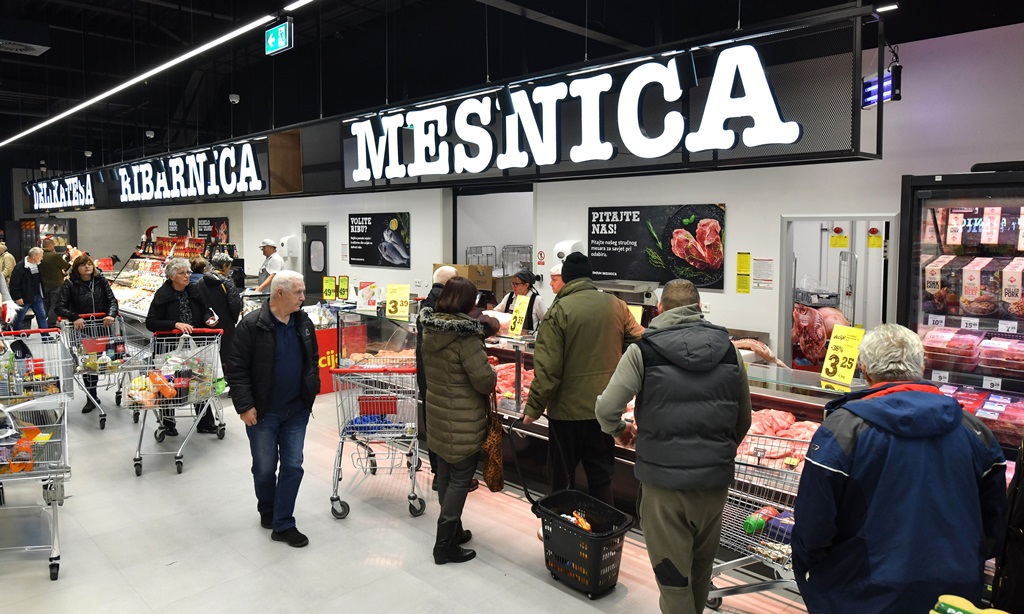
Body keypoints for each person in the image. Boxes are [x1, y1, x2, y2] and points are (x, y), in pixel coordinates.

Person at [792, 323, 1006, 613]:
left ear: (864, 369)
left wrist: (816, 573)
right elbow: (993, 522)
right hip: (953, 592)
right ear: (923, 366)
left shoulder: (842, 430)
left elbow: (813, 526)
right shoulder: (976, 431)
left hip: (862, 592)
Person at [595, 279, 751, 614]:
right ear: (699, 308)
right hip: (713, 485)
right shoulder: (729, 351)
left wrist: (621, 432)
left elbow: (606, 409)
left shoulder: (643, 351)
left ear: (660, 309)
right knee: (700, 572)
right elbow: (744, 420)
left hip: (663, 486)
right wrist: (715, 454)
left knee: (673, 579)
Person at [522, 252, 644, 507]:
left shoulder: (559, 311)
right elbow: (641, 342)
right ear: (590, 277)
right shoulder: (616, 305)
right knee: (600, 478)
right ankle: (604, 526)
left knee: (562, 480)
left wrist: (533, 408)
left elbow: (548, 369)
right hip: (603, 410)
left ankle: (562, 525)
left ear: (566, 278)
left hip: (566, 414)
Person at [224, 271, 319, 548]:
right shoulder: (252, 325)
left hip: (297, 410)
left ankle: (284, 523)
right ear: (280, 292)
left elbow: (312, 359)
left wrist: (311, 389)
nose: (303, 297)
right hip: (263, 412)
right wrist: (244, 406)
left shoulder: (303, 323)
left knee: (293, 466)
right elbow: (236, 369)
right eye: (298, 292)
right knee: (264, 468)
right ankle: (267, 509)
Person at [418, 276, 497, 565]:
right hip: (463, 419)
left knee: (446, 476)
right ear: (467, 302)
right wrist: (493, 373)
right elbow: (484, 381)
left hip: (438, 414)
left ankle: (454, 531)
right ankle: (444, 545)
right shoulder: (466, 337)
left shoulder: (430, 328)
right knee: (461, 478)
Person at [416, 265, 482, 493]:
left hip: (430, 376)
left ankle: (439, 474)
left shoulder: (427, 305)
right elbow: (482, 377)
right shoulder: (450, 310)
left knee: (436, 424)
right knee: (451, 427)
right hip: (450, 383)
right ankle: (452, 479)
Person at [145, 258, 216, 435]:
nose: (187, 276)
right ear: (172, 276)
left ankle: (205, 421)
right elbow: (151, 322)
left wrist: (208, 318)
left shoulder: (194, 290)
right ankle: (168, 423)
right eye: (182, 273)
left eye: (188, 272)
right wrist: (175, 324)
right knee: (169, 383)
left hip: (193, 345)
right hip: (169, 347)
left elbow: (206, 309)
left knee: (198, 380)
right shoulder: (162, 295)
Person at [55, 254, 119, 414]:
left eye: (89, 264)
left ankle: (96, 394)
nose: (87, 267)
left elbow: (112, 300)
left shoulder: (101, 281)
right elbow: (59, 306)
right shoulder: (70, 284)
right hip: (83, 330)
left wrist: (111, 314)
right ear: (77, 268)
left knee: (104, 360)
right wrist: (74, 317)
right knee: (88, 364)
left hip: (102, 328)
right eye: (83, 265)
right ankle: (91, 397)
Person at [200, 252, 244, 352]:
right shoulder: (226, 282)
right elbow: (235, 303)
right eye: (229, 267)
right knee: (225, 351)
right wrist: (234, 319)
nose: (229, 270)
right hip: (226, 323)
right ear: (224, 266)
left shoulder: (201, 281)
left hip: (207, 323)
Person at [10, 247, 48, 330]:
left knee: (42, 315)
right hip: (25, 296)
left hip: (37, 295)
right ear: (34, 256)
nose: (42, 258)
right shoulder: (20, 267)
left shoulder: (38, 265)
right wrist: (17, 297)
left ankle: (45, 334)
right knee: (19, 317)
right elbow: (14, 283)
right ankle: (17, 334)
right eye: (41, 256)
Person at [39, 238, 71, 324]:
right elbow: (66, 266)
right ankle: (51, 322)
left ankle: (42, 322)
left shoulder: (39, 256)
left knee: (45, 304)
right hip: (55, 283)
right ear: (50, 245)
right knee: (55, 303)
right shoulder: (54, 256)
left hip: (43, 284)